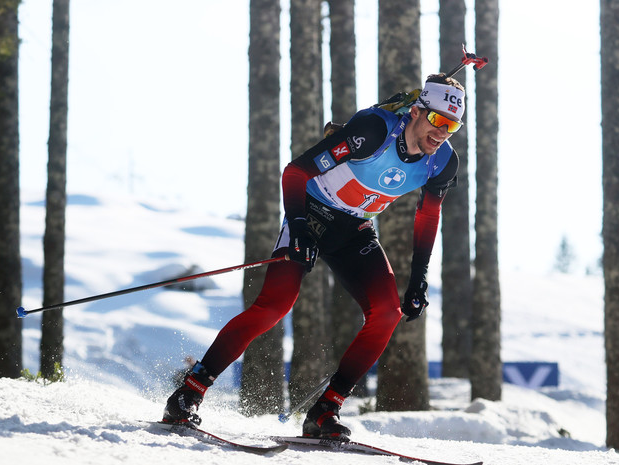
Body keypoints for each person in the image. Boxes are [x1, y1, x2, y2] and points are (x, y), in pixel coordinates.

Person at [163, 73, 465, 440]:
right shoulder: (373, 131)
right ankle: (188, 393)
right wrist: (300, 226)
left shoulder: (442, 162)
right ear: (417, 111)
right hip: (312, 212)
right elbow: (296, 172)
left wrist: (419, 277)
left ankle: (325, 411)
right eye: (436, 120)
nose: (442, 132)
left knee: (386, 313)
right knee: (274, 307)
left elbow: (428, 215)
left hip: (354, 229)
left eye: (452, 125)